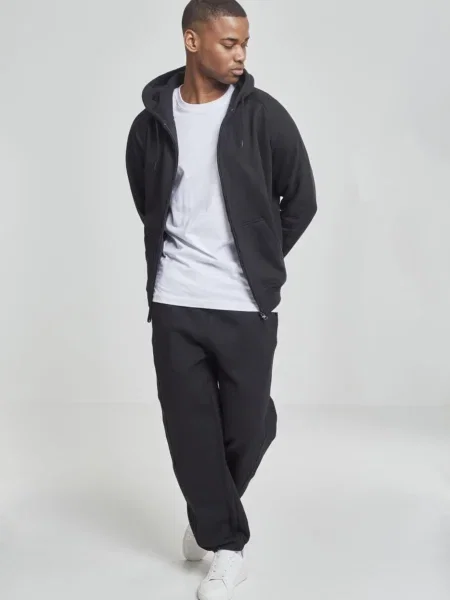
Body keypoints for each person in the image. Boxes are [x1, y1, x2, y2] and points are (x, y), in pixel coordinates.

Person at [125, 0, 317, 597]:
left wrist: (259, 258)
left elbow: (301, 199)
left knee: (249, 425)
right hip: (176, 299)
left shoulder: (264, 116)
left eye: (245, 43)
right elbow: (146, 198)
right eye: (229, 43)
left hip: (243, 302)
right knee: (189, 431)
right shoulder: (151, 124)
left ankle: (208, 513)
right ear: (192, 41)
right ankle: (227, 545)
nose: (241, 54)